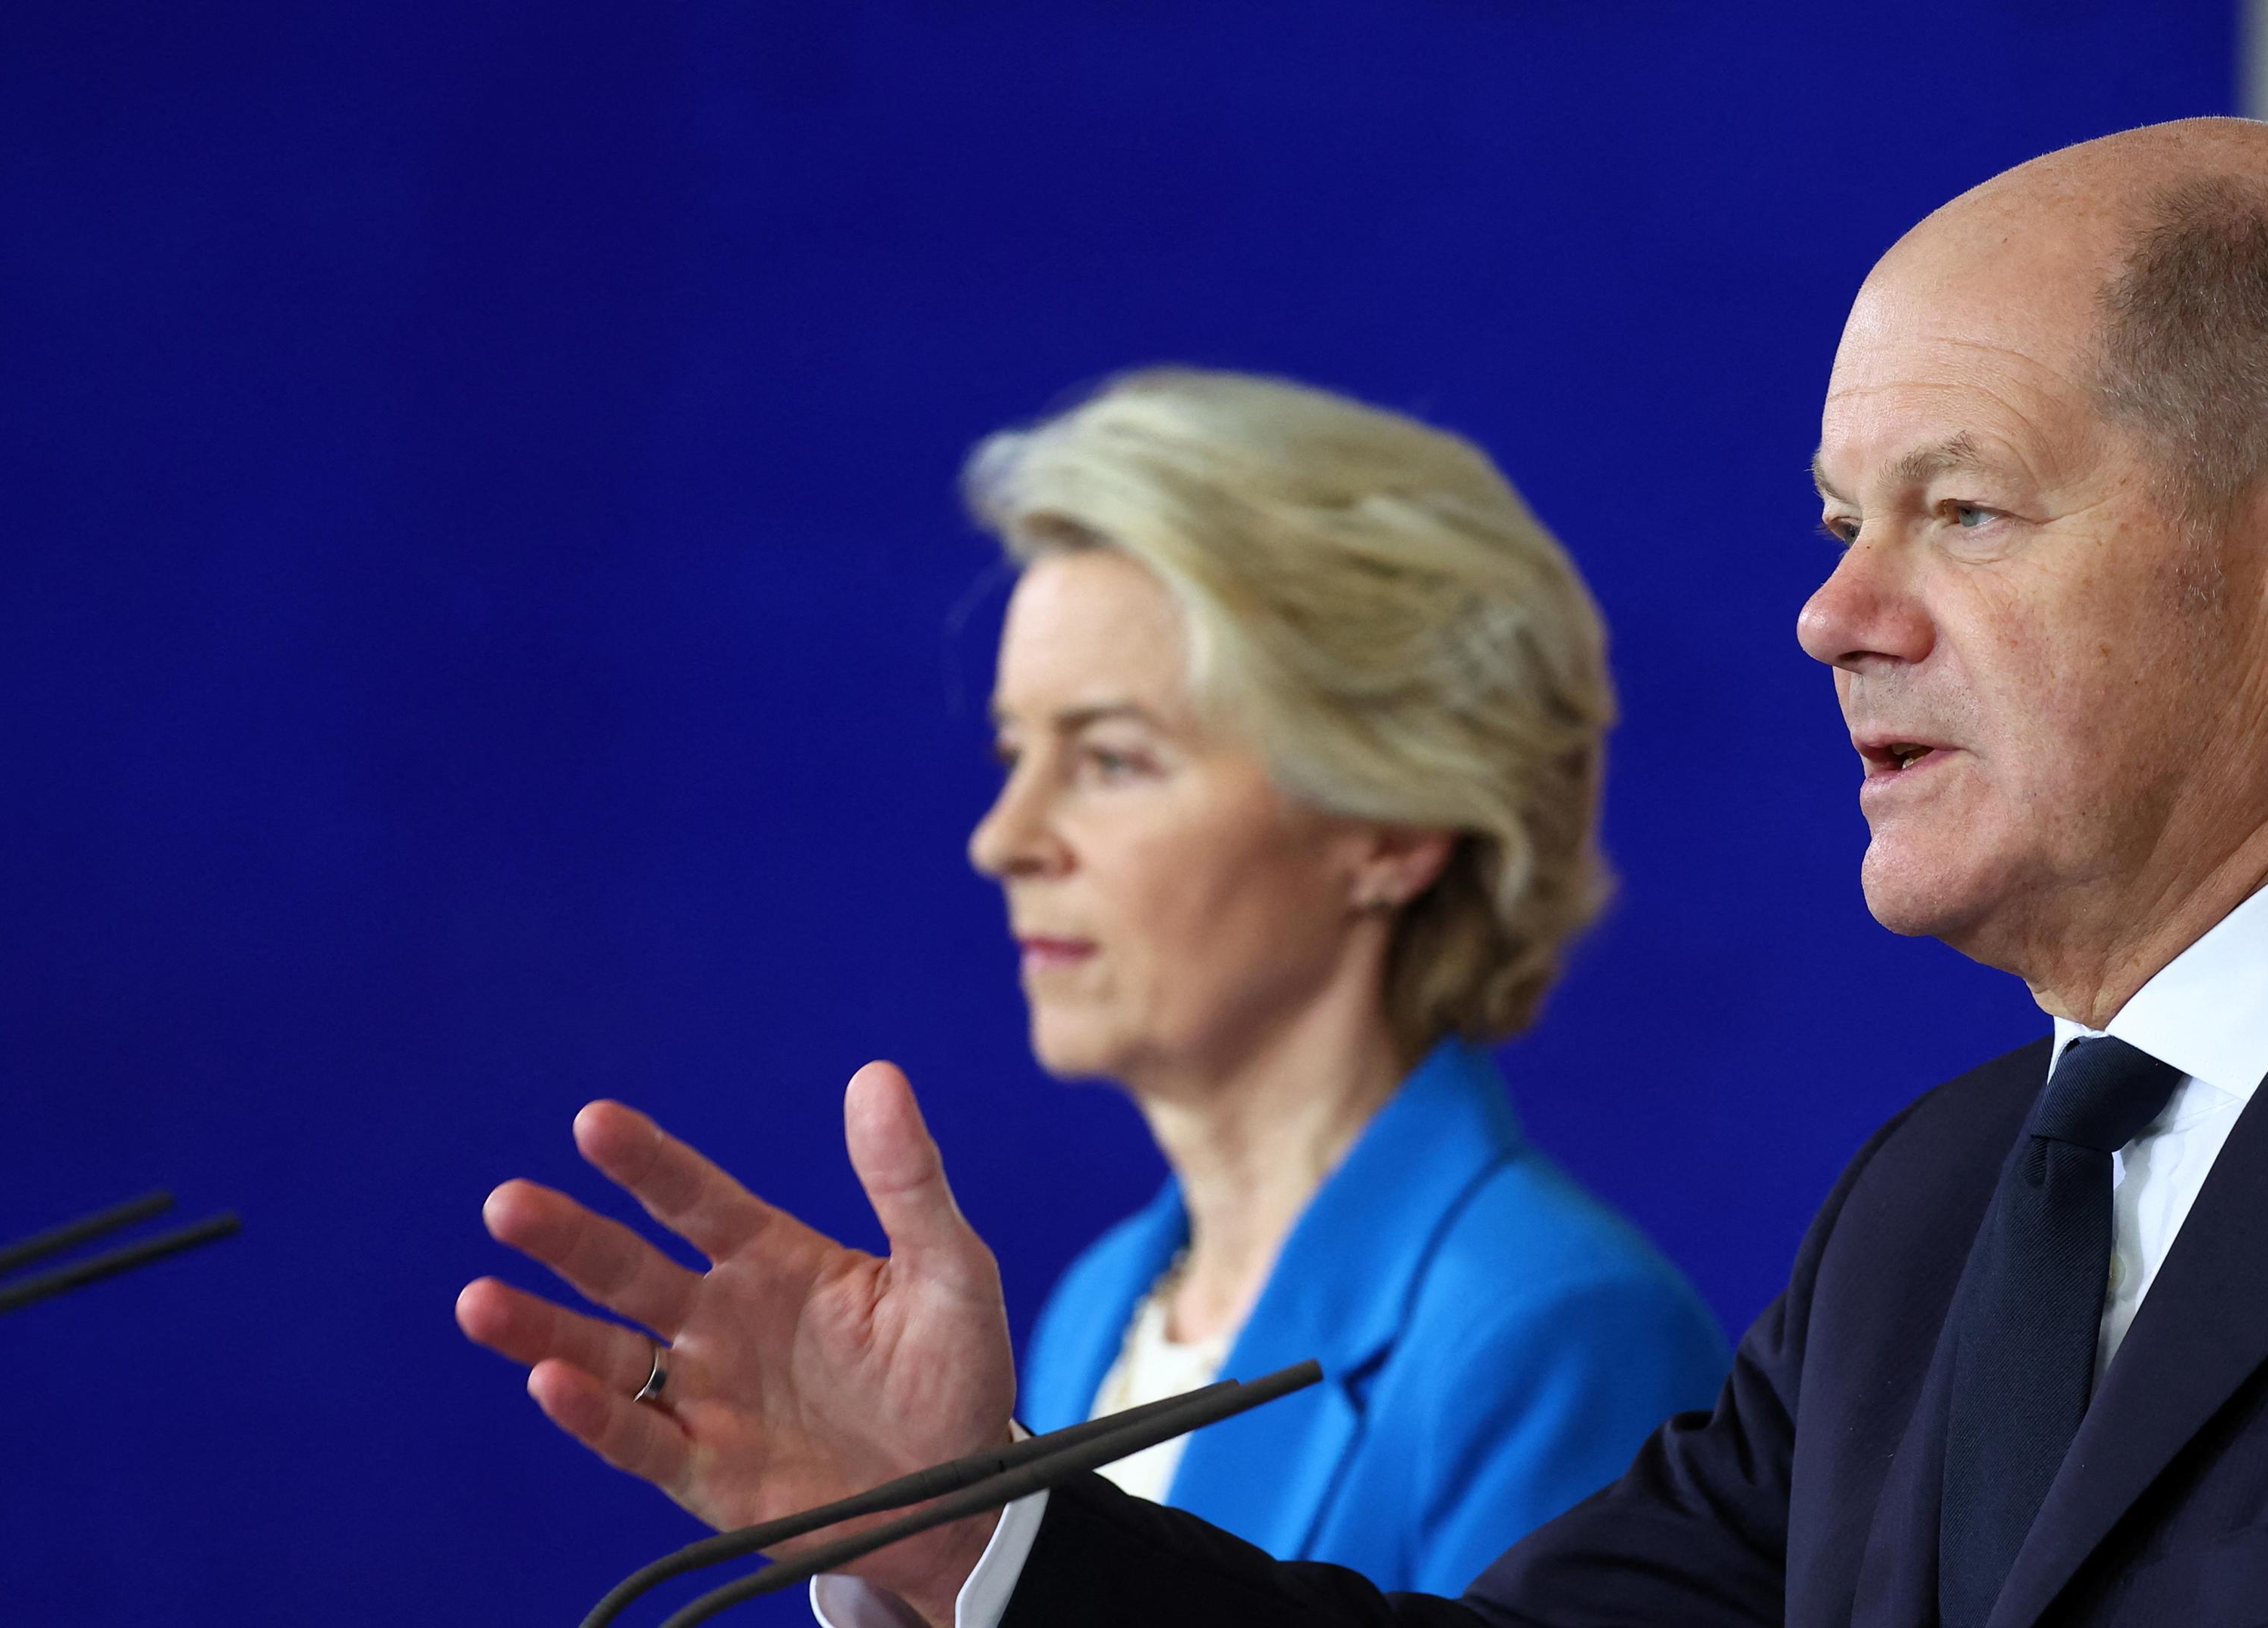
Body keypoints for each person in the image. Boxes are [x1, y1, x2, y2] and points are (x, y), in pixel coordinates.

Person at [457, 118, 2268, 1628]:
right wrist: (977, 1537)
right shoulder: (1930, 1212)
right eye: (1841, 523)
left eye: (1966, 509)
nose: (1838, 614)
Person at [455, 368, 1729, 1598]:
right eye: (1017, 750)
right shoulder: (1100, 1303)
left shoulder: (1554, 1329)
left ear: (1391, 828)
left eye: (1112, 760)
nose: (1005, 838)